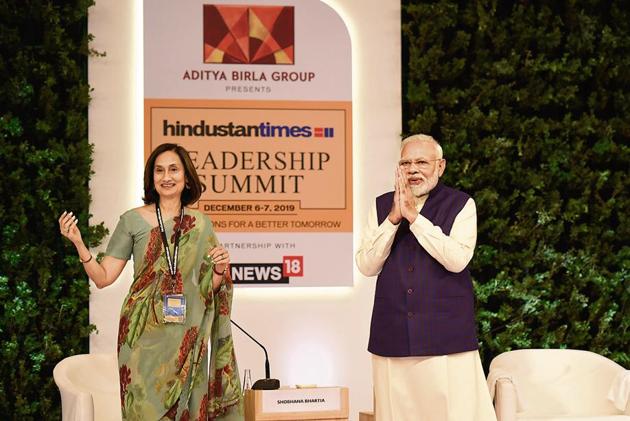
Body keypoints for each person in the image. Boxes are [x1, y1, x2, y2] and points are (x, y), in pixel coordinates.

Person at [59, 143, 243, 420]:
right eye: (159, 170)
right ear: (151, 177)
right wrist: (79, 244)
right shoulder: (132, 220)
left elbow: (209, 291)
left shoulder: (202, 224)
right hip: (141, 337)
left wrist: (219, 271)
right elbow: (103, 278)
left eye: (173, 170)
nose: (166, 177)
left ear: (186, 177)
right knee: (142, 408)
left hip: (186, 337)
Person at [356, 134, 496, 421]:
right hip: (392, 333)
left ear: (440, 166)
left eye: (422, 162)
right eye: (406, 163)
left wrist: (416, 220)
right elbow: (367, 265)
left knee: (454, 413)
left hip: (447, 336)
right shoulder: (382, 206)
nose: (413, 169)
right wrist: (394, 219)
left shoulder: (461, 204)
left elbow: (457, 260)